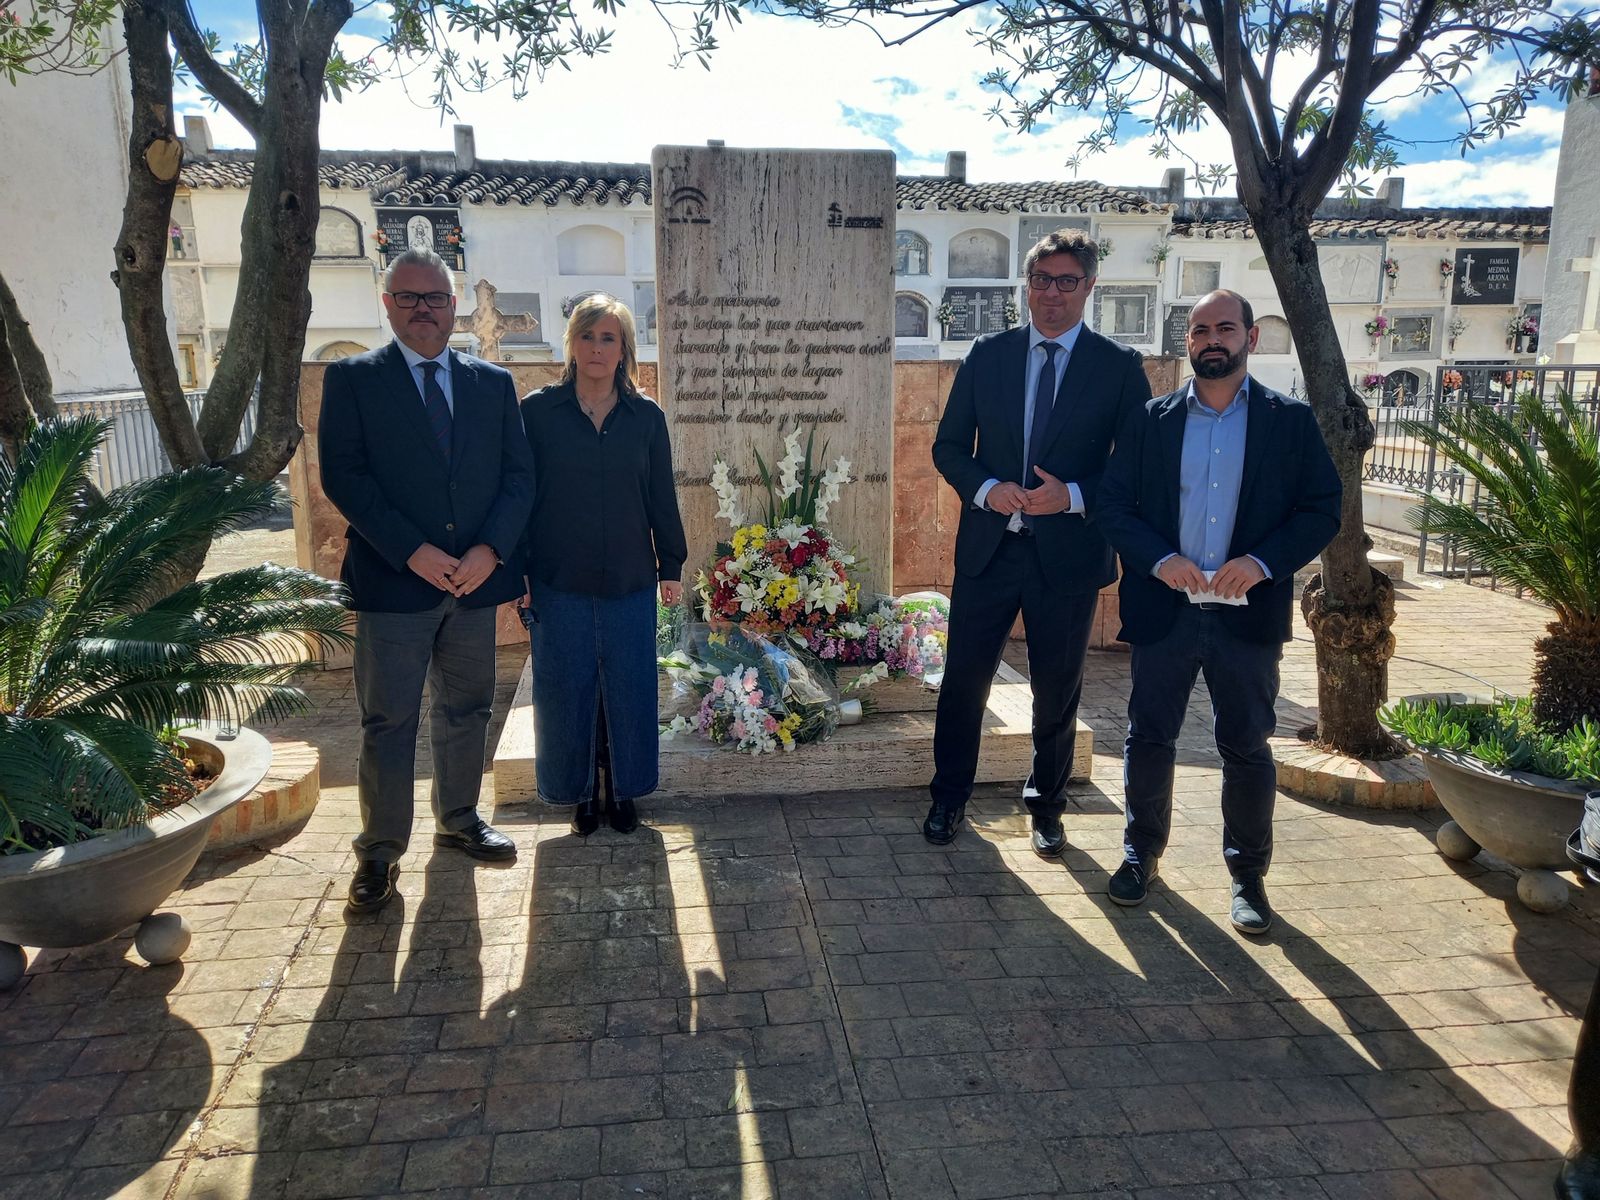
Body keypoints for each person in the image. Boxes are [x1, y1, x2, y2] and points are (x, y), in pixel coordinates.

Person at [1095, 289, 1341, 934]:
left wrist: (1260, 563)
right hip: (1166, 612)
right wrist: (1157, 559)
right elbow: (1114, 504)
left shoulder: (1289, 422)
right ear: (1188, 341)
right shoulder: (1151, 420)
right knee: (1149, 739)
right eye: (1200, 329)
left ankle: (1247, 877)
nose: (1211, 339)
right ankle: (1140, 853)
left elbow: (1321, 508)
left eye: (1224, 328)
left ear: (1250, 339)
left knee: (1247, 747)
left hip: (1246, 615)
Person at [319, 246, 536, 915]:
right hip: (395, 585)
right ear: (387, 305)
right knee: (389, 721)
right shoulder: (353, 380)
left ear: (453, 306)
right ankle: (380, 852)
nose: (424, 310)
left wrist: (490, 552)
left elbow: (518, 478)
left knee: (467, 708)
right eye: (409, 297)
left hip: (473, 586)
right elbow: (345, 476)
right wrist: (410, 550)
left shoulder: (490, 384)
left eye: (435, 298)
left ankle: (460, 818)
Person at [925, 230, 1152, 856]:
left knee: (1057, 690)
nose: (1052, 293)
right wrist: (988, 487)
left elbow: (1138, 467)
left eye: (1067, 281)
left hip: (1069, 556)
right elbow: (948, 447)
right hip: (990, 551)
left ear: (1089, 287)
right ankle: (949, 797)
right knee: (963, 682)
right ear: (1027, 286)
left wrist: (1074, 495)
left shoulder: (1118, 368)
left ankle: (1047, 805)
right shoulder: (987, 355)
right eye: (1042, 280)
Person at [518, 294, 686, 836]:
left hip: (630, 578)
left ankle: (623, 787)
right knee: (566, 689)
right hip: (557, 578)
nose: (596, 347)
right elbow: (521, 496)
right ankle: (580, 791)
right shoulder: (538, 413)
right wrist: (516, 571)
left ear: (623, 350)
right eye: (587, 336)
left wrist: (672, 565)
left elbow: (662, 494)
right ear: (571, 344)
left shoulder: (647, 418)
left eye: (608, 338)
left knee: (630, 687)